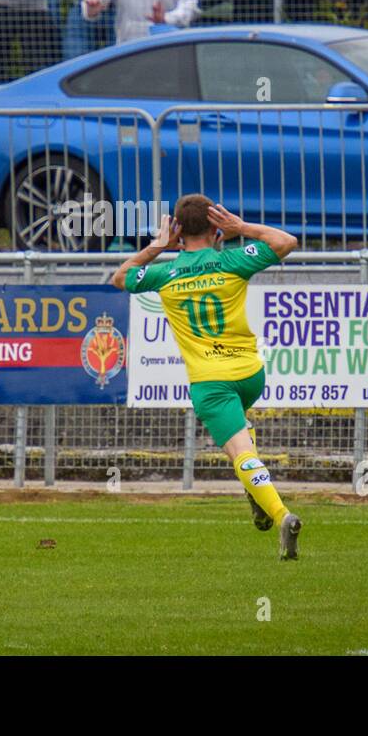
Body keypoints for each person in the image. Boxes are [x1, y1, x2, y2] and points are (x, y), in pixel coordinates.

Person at [112, 197, 302, 560]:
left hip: (210, 383)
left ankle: (282, 515)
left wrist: (157, 245)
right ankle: (256, 496)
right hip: (250, 374)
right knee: (242, 432)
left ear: (177, 232)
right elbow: (286, 242)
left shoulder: (164, 273)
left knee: (240, 453)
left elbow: (120, 278)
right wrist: (241, 228)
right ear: (217, 229)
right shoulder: (232, 259)